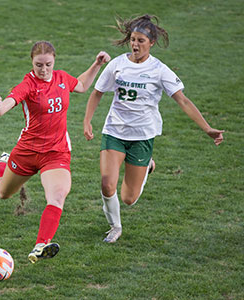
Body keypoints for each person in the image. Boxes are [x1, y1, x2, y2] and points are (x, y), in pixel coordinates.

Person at [83, 15, 224, 243]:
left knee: (129, 198)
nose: (135, 45)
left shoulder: (159, 70)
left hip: (142, 137)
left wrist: (207, 129)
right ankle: (115, 227)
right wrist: (87, 121)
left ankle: (147, 164)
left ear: (152, 43)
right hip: (114, 132)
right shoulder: (117, 64)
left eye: (141, 40)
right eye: (133, 39)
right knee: (107, 183)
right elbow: (97, 92)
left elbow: (183, 101)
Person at [0, 41, 110, 263]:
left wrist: (96, 64)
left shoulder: (62, 78)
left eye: (48, 64)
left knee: (57, 195)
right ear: (32, 63)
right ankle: (2, 163)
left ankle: (40, 244)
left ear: (54, 61)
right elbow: (8, 105)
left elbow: (82, 85)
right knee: (3, 193)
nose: (44, 70)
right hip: (27, 151)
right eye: (38, 65)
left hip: (56, 153)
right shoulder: (28, 84)